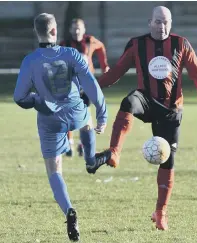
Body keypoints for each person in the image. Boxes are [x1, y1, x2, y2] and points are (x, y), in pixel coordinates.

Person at [95, 6, 197, 230]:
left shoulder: (181, 44)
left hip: (171, 110)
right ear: (149, 22)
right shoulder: (137, 44)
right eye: (158, 22)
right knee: (129, 101)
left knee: (168, 161)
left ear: (171, 24)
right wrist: (93, 88)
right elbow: (116, 72)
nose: (163, 27)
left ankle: (161, 212)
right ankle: (114, 153)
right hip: (146, 100)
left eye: (167, 22)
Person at [13, 13, 110, 241]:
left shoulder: (30, 61)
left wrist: (36, 101)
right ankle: (90, 161)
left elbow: (19, 97)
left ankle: (69, 211)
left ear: (37, 33)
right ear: (55, 31)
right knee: (87, 122)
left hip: (50, 120)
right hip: (76, 111)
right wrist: (103, 114)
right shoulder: (71, 54)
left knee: (54, 170)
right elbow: (92, 86)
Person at [60, 18, 110, 157]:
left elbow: (100, 47)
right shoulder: (65, 44)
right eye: (74, 28)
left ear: (84, 29)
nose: (77, 31)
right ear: (70, 30)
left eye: (79, 28)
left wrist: (104, 64)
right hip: (70, 85)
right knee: (69, 112)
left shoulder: (90, 41)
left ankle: (83, 144)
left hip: (87, 83)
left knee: (85, 113)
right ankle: (69, 143)